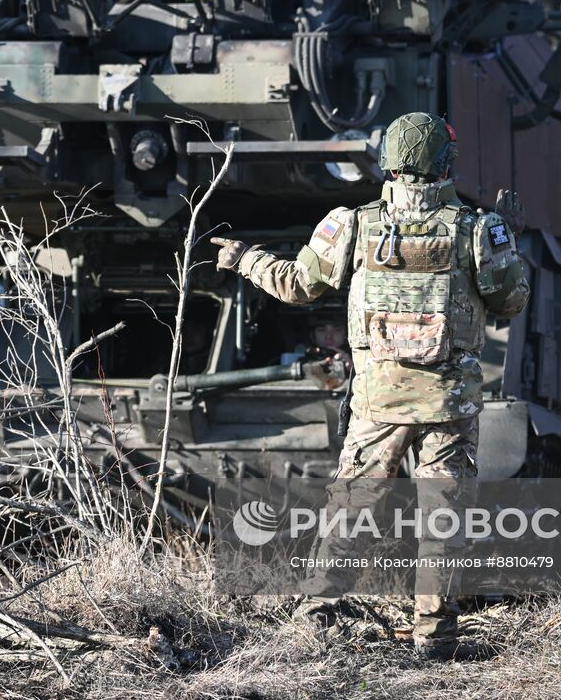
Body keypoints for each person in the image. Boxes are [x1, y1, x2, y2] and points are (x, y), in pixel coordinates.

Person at [211, 112, 530, 660]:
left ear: (388, 163)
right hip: (447, 401)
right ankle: (435, 637)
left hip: (378, 401)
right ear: (445, 164)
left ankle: (315, 620)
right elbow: (510, 302)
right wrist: (510, 240)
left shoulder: (353, 225)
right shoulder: (479, 229)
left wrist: (244, 259)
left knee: (350, 511)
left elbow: (298, 284)